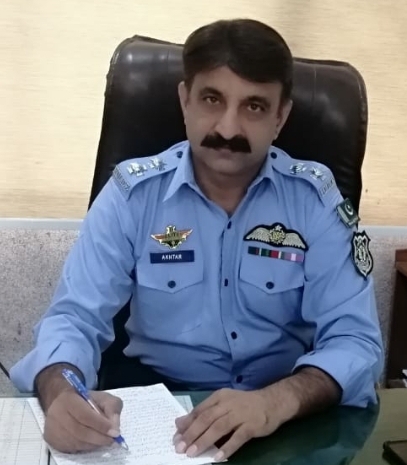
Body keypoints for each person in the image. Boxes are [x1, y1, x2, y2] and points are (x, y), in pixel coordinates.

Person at [10, 18, 383, 459]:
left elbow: (356, 342)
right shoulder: (133, 195)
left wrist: (277, 401)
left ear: (280, 117)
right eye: (211, 99)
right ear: (185, 100)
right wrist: (62, 391)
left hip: (281, 417)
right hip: (159, 415)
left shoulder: (315, 201)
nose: (228, 128)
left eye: (254, 107)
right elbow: (73, 319)